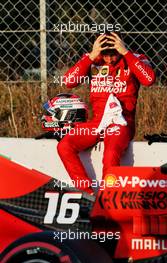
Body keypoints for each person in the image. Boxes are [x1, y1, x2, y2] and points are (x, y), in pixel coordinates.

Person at [57, 31, 156, 194]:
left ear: (120, 47)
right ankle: (86, 194)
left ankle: (108, 198)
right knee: (65, 145)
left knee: (110, 152)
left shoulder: (135, 58)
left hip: (121, 122)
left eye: (113, 54)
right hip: (98, 123)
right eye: (105, 54)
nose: (109, 59)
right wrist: (91, 56)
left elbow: (149, 79)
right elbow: (68, 82)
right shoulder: (92, 59)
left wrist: (125, 53)